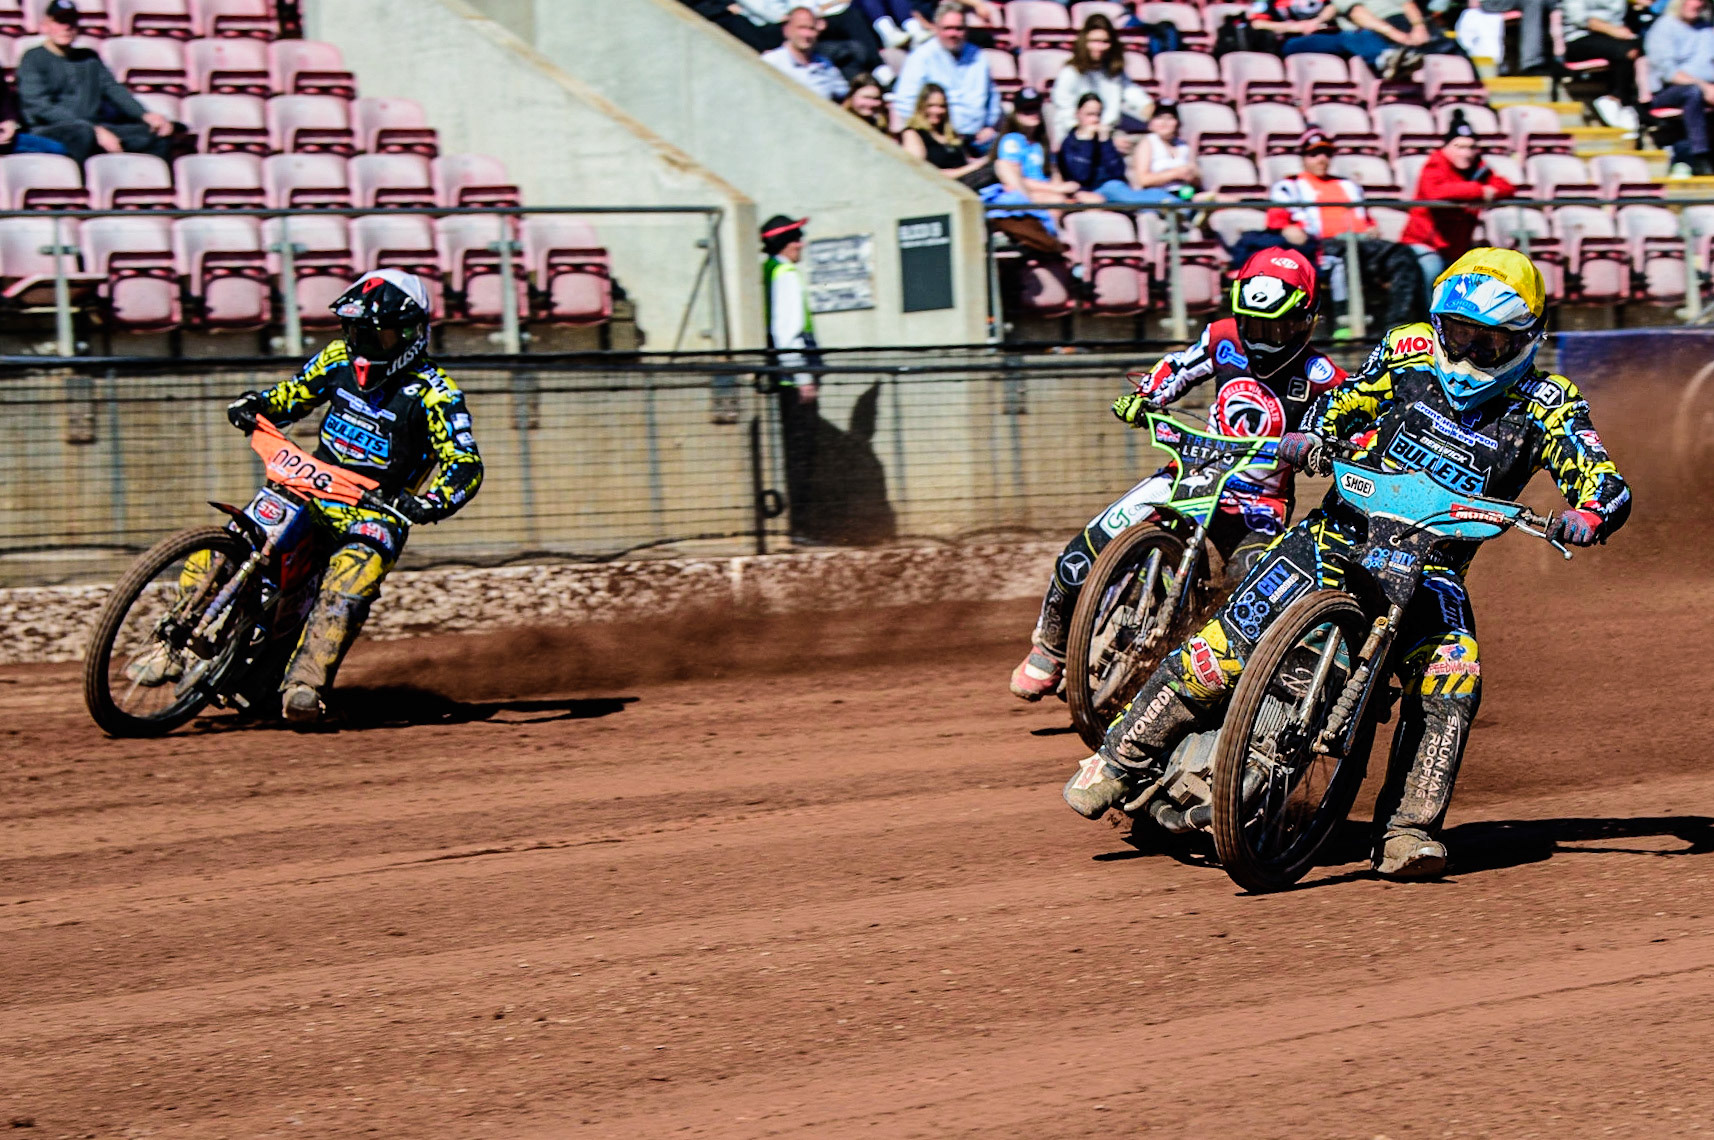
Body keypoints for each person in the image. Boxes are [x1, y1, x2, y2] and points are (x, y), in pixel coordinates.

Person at [1063, 248, 1631, 879]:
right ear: (1438, 325)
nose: (1468, 355)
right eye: (1459, 335)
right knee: (1227, 639)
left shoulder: (1548, 401)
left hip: (1433, 567)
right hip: (1337, 532)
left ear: (1526, 340)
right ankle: (1118, 760)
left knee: (1454, 674)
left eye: (1488, 343)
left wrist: (1591, 512)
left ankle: (1408, 831)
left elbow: (1602, 477)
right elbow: (1347, 403)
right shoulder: (1406, 349)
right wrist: (1314, 436)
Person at [1010, 248, 1348, 700]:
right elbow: (1178, 366)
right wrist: (1147, 395)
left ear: (1306, 318)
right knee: (1083, 550)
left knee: (1252, 592)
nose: (1262, 338)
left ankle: (1219, 689)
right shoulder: (1222, 337)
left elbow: (1350, 420)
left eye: (1276, 326)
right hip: (1193, 469)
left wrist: (1321, 447)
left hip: (1257, 502)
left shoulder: (1322, 374)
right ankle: (1051, 647)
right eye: (1253, 324)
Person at [222, 271, 484, 725]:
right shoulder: (337, 358)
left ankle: (304, 686)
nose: (362, 345)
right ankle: (177, 639)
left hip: (376, 511)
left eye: (374, 334)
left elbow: (465, 464)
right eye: (355, 331)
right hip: (311, 485)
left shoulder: (435, 392)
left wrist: (430, 503)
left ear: (409, 334)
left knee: (349, 579)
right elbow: (292, 396)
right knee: (240, 539)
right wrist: (257, 406)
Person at [1269, 127, 1426, 327]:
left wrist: (1371, 229)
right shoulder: (1291, 185)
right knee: (1345, 255)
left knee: (1402, 255)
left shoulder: (1348, 185)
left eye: (1326, 153)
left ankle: (1397, 325)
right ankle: (1346, 324)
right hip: (1322, 245)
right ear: (1304, 158)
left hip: (1361, 242)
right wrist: (1287, 228)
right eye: (1314, 154)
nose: (1321, 159)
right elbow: (1277, 220)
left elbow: (1367, 219)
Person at [16, 0, 181, 164]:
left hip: (95, 127)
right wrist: (92, 129)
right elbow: (39, 106)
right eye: (60, 22)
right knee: (82, 134)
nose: (66, 28)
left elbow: (113, 89)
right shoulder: (33, 58)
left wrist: (144, 114)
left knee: (156, 133)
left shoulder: (89, 58)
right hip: (52, 129)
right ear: (46, 25)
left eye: (71, 22)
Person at [1399, 112, 1514, 294]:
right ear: (1446, 147)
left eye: (1471, 147)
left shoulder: (1478, 167)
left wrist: (1485, 190)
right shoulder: (1435, 164)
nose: (1466, 153)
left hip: (1456, 247)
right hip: (1424, 242)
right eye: (1459, 147)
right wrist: (1480, 191)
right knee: (1432, 271)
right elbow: (1435, 192)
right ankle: (1427, 320)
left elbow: (1505, 186)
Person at [761, 215, 822, 543]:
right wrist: (802, 378)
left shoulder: (769, 270)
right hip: (793, 379)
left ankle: (801, 527)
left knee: (797, 454)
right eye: (797, 237)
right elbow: (787, 331)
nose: (802, 243)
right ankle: (803, 528)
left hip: (785, 378)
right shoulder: (785, 273)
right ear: (785, 242)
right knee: (803, 455)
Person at [888, 2, 1002, 147]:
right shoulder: (921, 57)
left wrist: (990, 126)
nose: (953, 34)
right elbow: (905, 102)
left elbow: (992, 96)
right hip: (937, 139)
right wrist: (932, 133)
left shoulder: (977, 56)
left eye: (959, 28)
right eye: (947, 28)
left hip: (977, 138)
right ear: (935, 28)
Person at [1278, 0, 1446, 79]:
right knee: (1353, 36)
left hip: (1341, 36)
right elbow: (1258, 24)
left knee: (1355, 36)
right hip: (1296, 41)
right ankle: (1385, 59)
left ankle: (1390, 59)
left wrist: (1319, 20)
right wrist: (1298, 27)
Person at [1048, 14, 1149, 144]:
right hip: (1077, 138)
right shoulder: (1071, 72)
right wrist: (1095, 135)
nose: (1099, 47)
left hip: (1107, 132)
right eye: (1094, 41)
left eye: (1104, 42)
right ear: (1084, 42)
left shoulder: (1113, 72)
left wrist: (1146, 105)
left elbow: (1130, 91)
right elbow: (1065, 111)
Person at [1644, 0, 1714, 175]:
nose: (1697, 5)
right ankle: (1700, 155)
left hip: (1708, 86)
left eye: (1701, 2)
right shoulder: (1664, 28)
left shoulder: (1707, 30)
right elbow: (1669, 73)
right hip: (1669, 90)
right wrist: (1706, 88)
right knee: (1693, 92)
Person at [1564, 0, 1644, 128]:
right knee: (1625, 51)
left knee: (1646, 45)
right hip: (1580, 38)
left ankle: (1629, 102)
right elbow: (1579, 18)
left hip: (1616, 38)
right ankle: (1616, 99)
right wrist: (1613, 30)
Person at [761, 6, 852, 99]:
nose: (807, 35)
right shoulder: (772, 61)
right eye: (801, 28)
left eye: (811, 29)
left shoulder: (824, 65)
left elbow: (845, 93)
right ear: (787, 30)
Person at [1056, 93, 1134, 198]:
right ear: (1077, 114)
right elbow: (1081, 176)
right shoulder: (1069, 143)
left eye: (1098, 115)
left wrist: (1105, 141)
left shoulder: (1103, 140)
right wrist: (1087, 141)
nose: (1095, 120)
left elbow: (1117, 172)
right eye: (1090, 114)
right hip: (1090, 191)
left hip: (1112, 187)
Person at [901, 83, 987, 176]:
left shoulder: (951, 135)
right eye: (931, 105)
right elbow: (918, 172)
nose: (937, 111)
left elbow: (965, 161)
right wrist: (969, 169)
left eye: (942, 106)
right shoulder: (913, 133)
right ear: (921, 106)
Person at [1121, 102, 1199, 204]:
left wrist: (1191, 176)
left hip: (1183, 192)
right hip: (1157, 194)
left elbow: (1196, 177)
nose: (1164, 122)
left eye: (1170, 118)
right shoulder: (1148, 143)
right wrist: (1175, 174)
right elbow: (1142, 180)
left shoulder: (1183, 146)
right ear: (1151, 123)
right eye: (1159, 118)